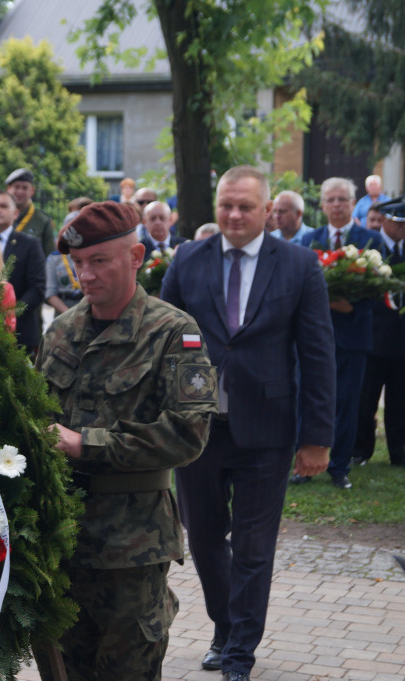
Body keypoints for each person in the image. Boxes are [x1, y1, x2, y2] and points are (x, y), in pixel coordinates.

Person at [160, 165, 336, 681]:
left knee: (255, 546)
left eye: (245, 207)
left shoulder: (300, 266)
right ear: (215, 206)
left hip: (268, 430)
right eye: (225, 205)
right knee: (205, 538)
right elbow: (161, 342)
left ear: (266, 211)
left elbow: (318, 355)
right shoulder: (188, 259)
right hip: (197, 430)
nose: (234, 215)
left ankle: (240, 652)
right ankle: (223, 625)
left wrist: (317, 438)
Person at [35, 201, 216, 681]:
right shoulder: (60, 333)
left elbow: (188, 434)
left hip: (131, 547)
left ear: (136, 256)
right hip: (61, 539)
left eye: (99, 261)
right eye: (78, 265)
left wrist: (83, 445)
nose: (86, 276)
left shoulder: (175, 333)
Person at [293, 177, 383, 490]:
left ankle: (339, 466)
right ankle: (302, 465)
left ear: (352, 203)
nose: (336, 205)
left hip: (353, 335)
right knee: (307, 398)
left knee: (347, 402)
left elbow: (378, 291)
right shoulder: (310, 240)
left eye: (342, 200)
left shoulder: (370, 240)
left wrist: (350, 307)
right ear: (322, 205)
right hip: (312, 337)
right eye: (330, 200)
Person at [354, 197, 405, 468]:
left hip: (402, 340)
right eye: (398, 222)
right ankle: (361, 449)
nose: (402, 228)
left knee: (400, 400)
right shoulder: (368, 247)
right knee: (366, 399)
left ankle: (400, 450)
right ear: (384, 219)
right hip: (373, 337)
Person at [0, 190, 46, 354]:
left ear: (15, 213)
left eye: (3, 206)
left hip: (20, 334)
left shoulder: (30, 244)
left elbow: (37, 288)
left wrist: (10, 314)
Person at [6, 167, 57, 255]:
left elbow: (50, 256)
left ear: (32, 191)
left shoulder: (42, 220)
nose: (20, 191)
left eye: (25, 188)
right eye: (16, 187)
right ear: (9, 189)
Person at [45, 221, 84, 316]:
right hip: (63, 309)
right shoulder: (55, 258)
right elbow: (50, 293)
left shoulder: (93, 255)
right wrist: (70, 316)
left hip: (89, 307)